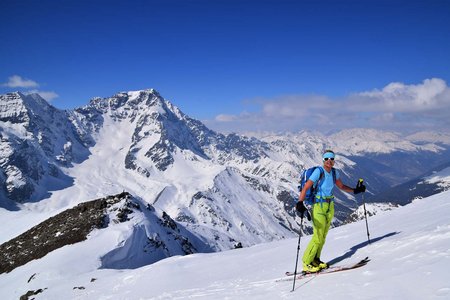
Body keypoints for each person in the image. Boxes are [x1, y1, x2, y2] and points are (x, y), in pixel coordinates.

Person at [296, 149, 366, 273]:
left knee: (323, 236)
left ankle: (315, 259)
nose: (329, 161)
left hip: (330, 205)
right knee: (317, 235)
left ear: (334, 160)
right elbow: (306, 187)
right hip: (318, 206)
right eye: (327, 158)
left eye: (332, 158)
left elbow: (341, 186)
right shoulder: (319, 171)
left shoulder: (334, 173)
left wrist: (355, 190)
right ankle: (307, 263)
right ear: (323, 160)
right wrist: (300, 203)